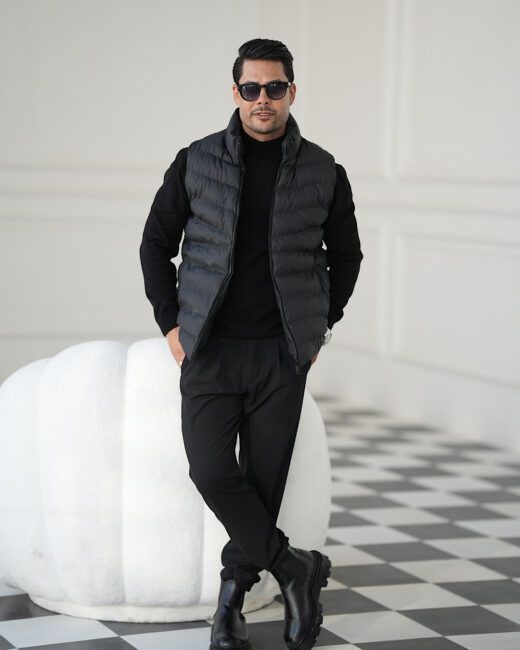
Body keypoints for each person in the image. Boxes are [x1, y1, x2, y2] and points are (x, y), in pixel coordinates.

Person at [140, 38, 363, 650]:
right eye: (251, 88)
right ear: (235, 91)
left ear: (292, 91)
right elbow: (155, 245)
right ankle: (294, 568)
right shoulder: (196, 161)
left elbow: (346, 256)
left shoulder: (323, 170)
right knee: (212, 471)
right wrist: (173, 328)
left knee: (262, 485)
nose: (263, 99)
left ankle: (229, 607)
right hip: (209, 349)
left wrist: (319, 328)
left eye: (274, 87)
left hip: (280, 355)